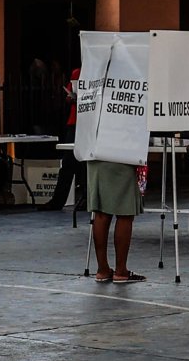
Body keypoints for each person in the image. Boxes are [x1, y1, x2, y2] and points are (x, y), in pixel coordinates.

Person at [89, 159, 147, 284]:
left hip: (96, 155)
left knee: (101, 211)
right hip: (122, 155)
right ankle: (121, 271)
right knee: (125, 212)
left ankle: (102, 270)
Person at [41, 66, 86, 211]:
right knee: (68, 162)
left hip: (89, 122)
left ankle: (87, 198)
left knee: (87, 162)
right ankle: (58, 201)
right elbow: (68, 96)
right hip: (75, 121)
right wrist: (72, 98)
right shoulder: (76, 72)